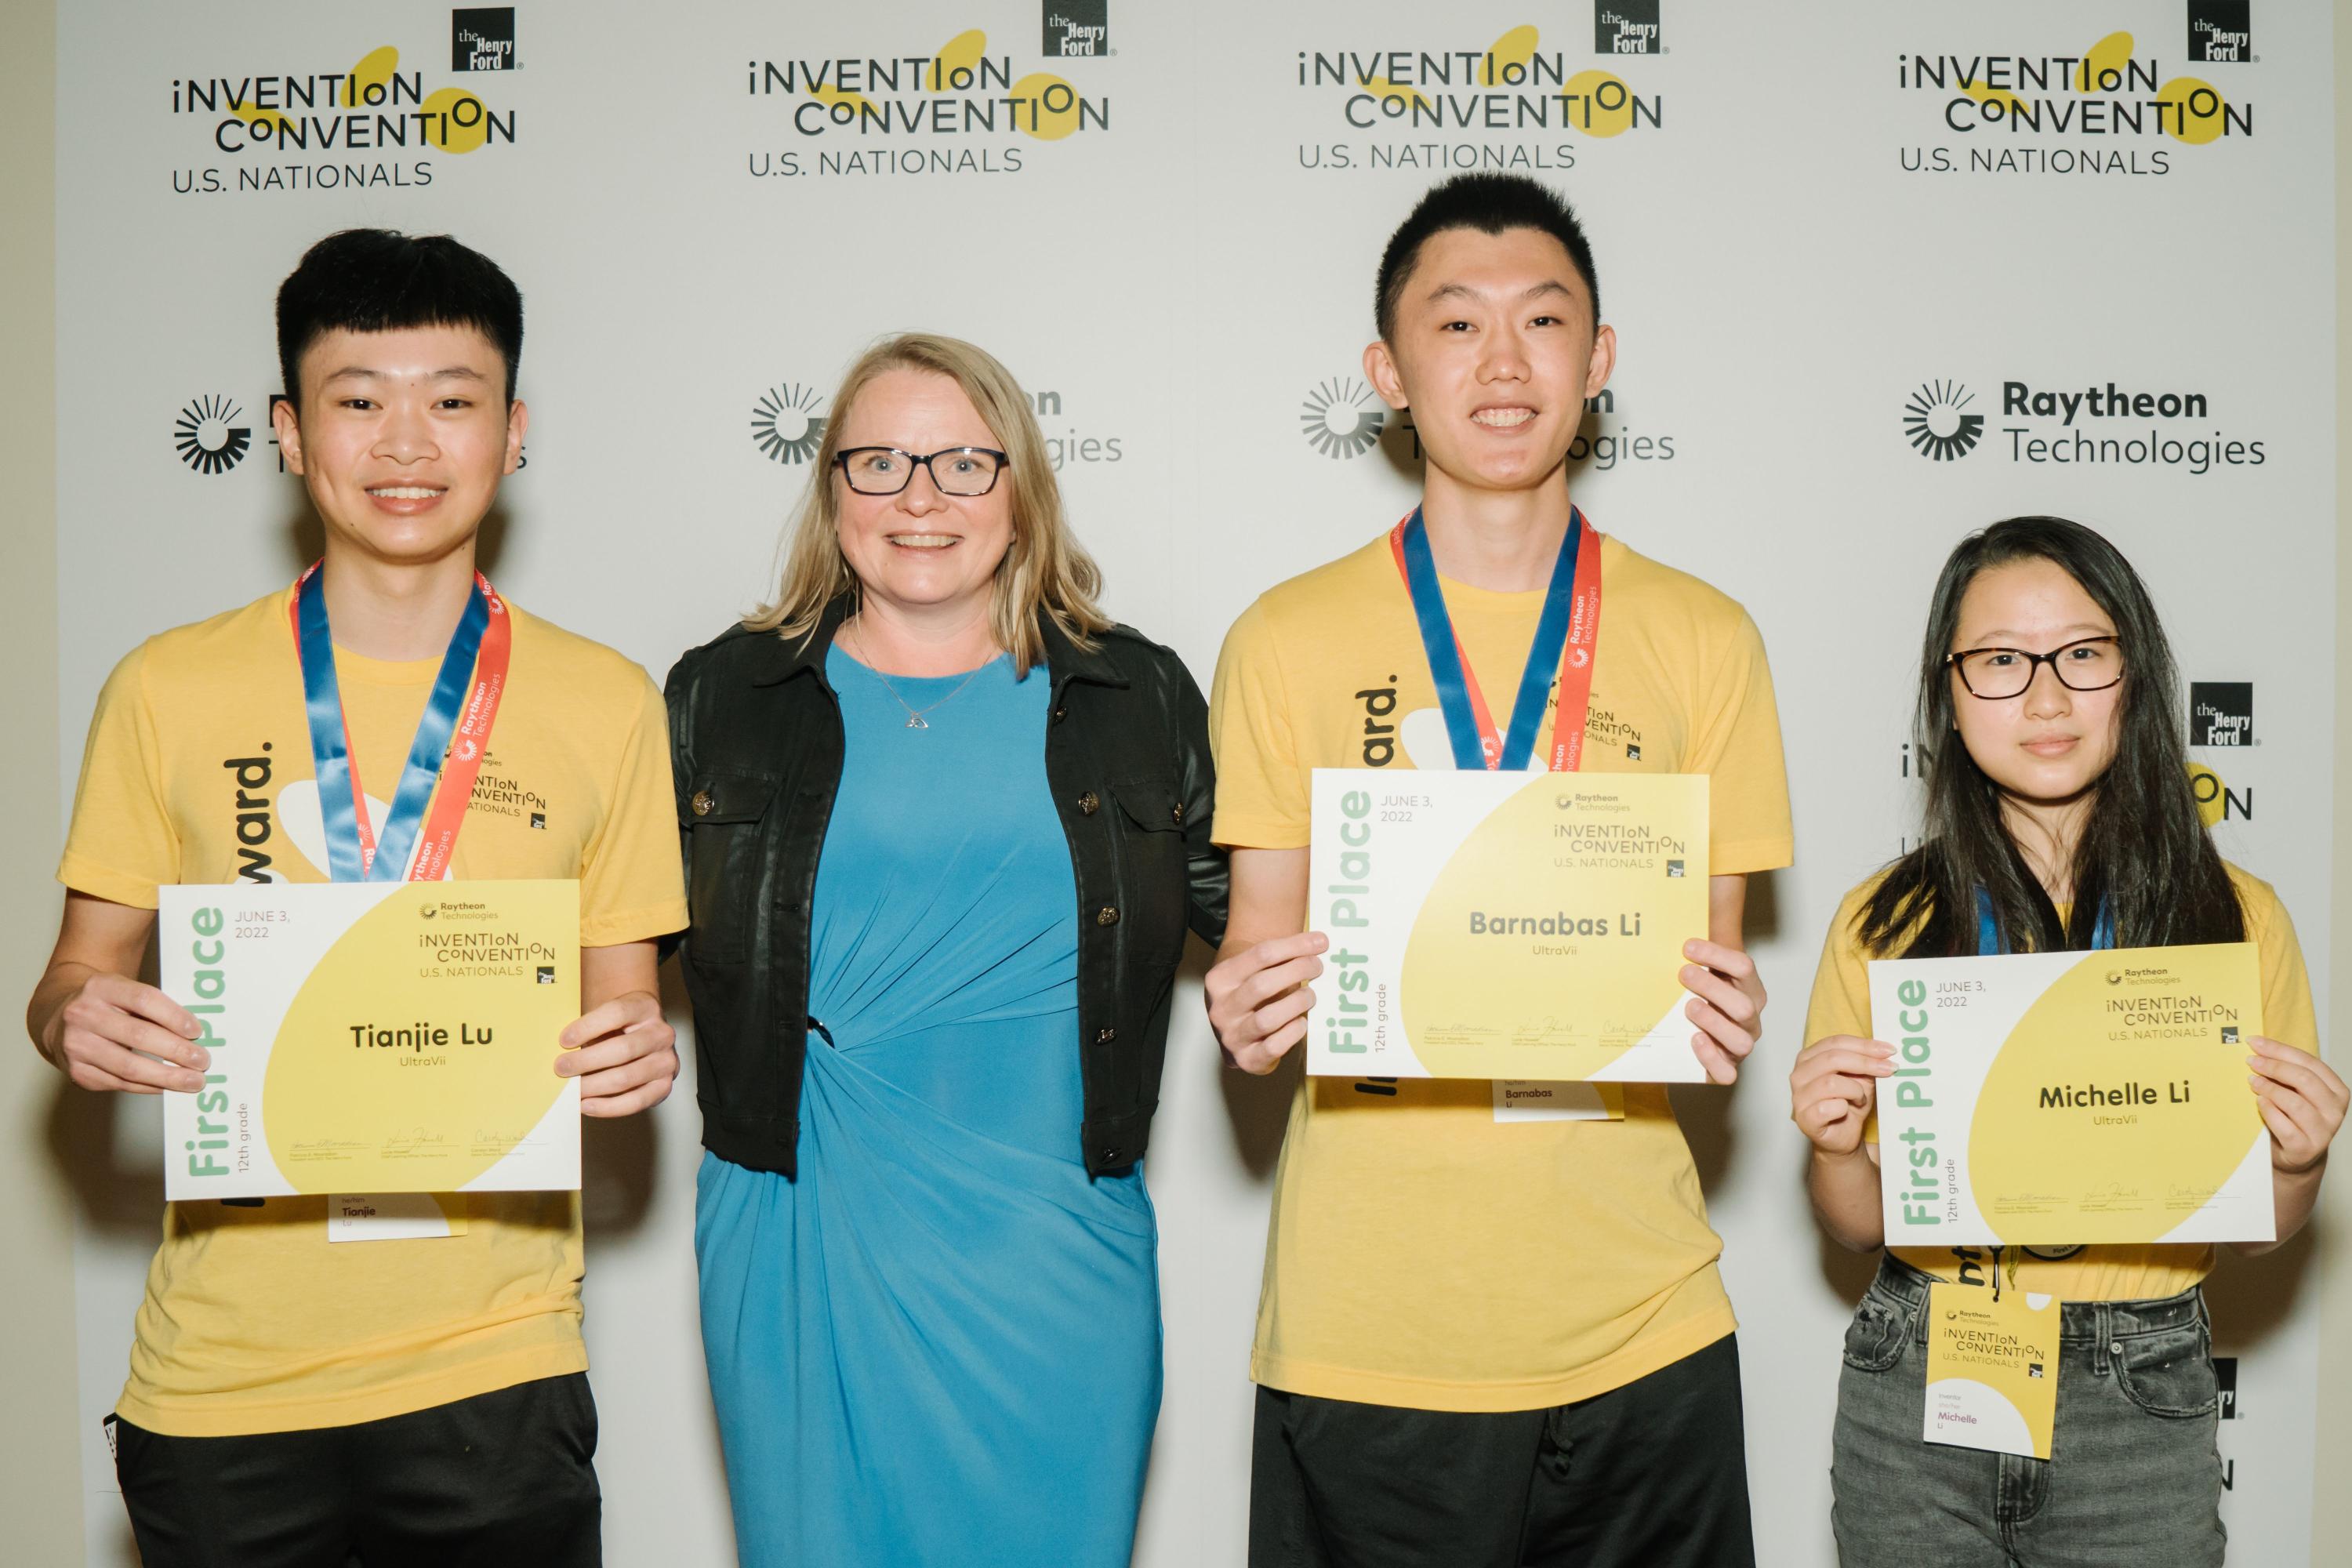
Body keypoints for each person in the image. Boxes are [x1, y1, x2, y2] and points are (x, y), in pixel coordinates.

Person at [26, 228, 687, 1566]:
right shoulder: (165, 688)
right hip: (223, 1378)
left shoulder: (607, 700)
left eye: (451, 400)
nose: (405, 443)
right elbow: (70, 979)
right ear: (286, 430)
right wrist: (80, 1022)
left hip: (492, 1367)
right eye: (357, 399)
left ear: (514, 433)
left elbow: (628, 1002)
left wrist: (636, 1047)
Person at [1205, 172, 1791, 1567]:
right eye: (1455, 324)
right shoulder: (1284, 638)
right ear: (1387, 374)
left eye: (1544, 320)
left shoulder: (1708, 638)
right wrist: (1245, 1011)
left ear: (1599, 360)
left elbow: (1705, 994)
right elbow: (1257, 959)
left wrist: (1722, 1010)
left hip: (1643, 1325)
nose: (1505, 362)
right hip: (1372, 1340)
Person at [665, 332, 1225, 1566]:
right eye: (879, 463)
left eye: (965, 463)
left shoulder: (1139, 696)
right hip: (801, 1219)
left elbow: (1275, 927)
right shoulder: (722, 696)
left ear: (1021, 486)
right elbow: (583, 937)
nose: (921, 498)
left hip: (1055, 1246)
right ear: (830, 492)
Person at [1791, 515, 2345, 1566]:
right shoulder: (1886, 922)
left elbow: (2266, 1226)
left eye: (2084, 656)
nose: (2045, 697)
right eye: (2001, 661)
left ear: (2135, 678)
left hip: (2140, 1385)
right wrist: (1830, 1147)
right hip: (1927, 1371)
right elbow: (1857, 1225)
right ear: (1948, 694)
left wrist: (2303, 1157)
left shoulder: (2234, 918)